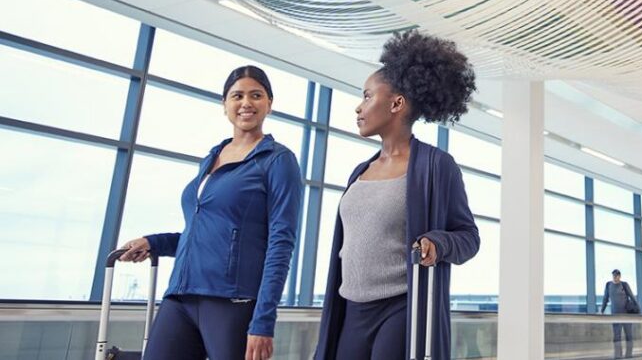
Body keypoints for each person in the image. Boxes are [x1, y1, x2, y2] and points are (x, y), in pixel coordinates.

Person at [313, 31, 480, 360]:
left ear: (396, 104)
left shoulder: (436, 166)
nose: (359, 106)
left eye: (367, 96)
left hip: (401, 308)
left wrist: (438, 242)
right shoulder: (360, 171)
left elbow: (469, 237)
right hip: (351, 309)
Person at [119, 66, 302, 360]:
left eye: (256, 95)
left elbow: (281, 243)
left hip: (232, 301)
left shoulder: (278, 160)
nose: (246, 103)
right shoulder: (211, 158)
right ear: (224, 104)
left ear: (269, 103)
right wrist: (154, 242)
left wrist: (264, 320)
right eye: (237, 96)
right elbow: (204, 234)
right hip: (181, 295)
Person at [601, 268, 638, 358]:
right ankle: (618, 355)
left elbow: (632, 297)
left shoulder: (624, 285)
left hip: (626, 315)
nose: (615, 277)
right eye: (614, 275)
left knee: (628, 335)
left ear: (620, 276)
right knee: (617, 336)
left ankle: (629, 355)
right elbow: (605, 299)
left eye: (617, 275)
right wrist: (602, 310)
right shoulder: (608, 285)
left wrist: (638, 310)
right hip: (615, 315)